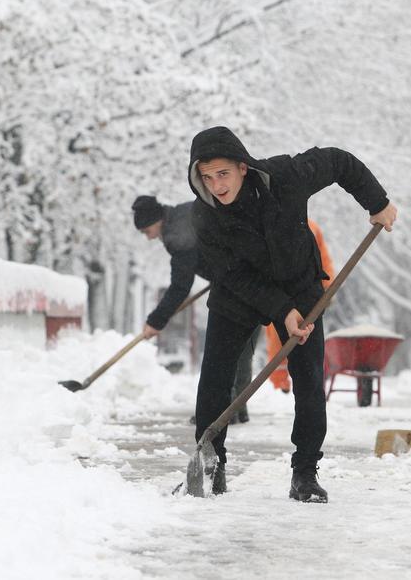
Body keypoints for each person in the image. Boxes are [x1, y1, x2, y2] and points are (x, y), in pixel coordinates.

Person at [188, 126, 396, 501]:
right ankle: (210, 463)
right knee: (216, 376)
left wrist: (377, 202)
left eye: (223, 174)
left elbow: (339, 162)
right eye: (206, 177)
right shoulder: (205, 217)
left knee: (309, 379)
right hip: (239, 294)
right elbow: (233, 275)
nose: (216, 186)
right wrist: (281, 311)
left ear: (243, 167)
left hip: (299, 285)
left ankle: (305, 473)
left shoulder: (285, 177)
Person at [131, 195, 258, 425]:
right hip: (252, 271)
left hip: (237, 279)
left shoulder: (177, 234)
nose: (147, 237)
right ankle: (237, 407)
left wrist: (156, 321)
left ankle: (222, 411)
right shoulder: (183, 214)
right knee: (242, 347)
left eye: (145, 230)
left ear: (155, 219)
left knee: (224, 347)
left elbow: (180, 286)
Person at [264, 219, 334, 394]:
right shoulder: (308, 226)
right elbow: (324, 261)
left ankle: (285, 382)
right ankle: (286, 382)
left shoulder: (309, 227)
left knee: (285, 339)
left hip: (293, 292)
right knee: (296, 339)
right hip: (294, 293)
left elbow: (323, 259)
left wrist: (327, 287)